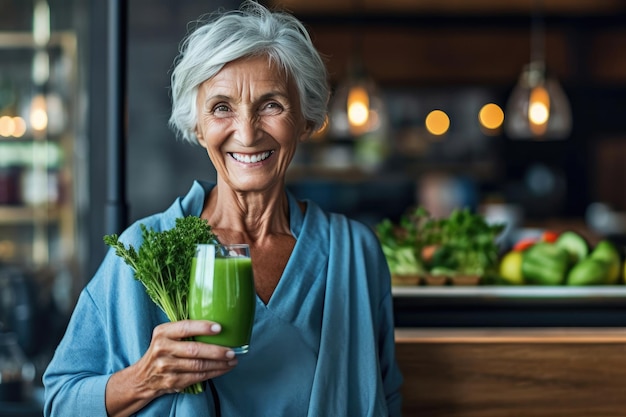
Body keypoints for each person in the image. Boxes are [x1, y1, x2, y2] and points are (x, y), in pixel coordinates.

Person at [43, 1, 403, 416]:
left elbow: (386, 396)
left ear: (306, 120)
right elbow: (60, 402)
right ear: (197, 126)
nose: (247, 133)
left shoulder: (355, 252)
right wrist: (145, 377)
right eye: (221, 108)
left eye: (272, 105)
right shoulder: (142, 251)